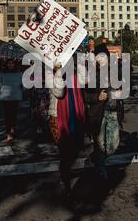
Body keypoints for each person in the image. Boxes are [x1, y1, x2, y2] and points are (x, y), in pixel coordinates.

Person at [83, 44, 123, 181]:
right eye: (99, 57)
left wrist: (119, 93)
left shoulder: (116, 72)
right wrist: (97, 97)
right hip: (98, 113)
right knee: (100, 145)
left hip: (113, 112)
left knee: (113, 145)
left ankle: (96, 159)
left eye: (104, 56)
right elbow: (84, 96)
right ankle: (101, 169)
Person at [48, 60, 86, 197]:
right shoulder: (52, 75)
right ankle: (65, 181)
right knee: (64, 151)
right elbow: (59, 92)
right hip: (58, 117)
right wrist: (58, 72)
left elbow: (86, 82)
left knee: (74, 150)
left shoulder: (75, 74)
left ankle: (65, 174)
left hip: (75, 116)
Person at [0, 59, 21, 142]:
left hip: (14, 96)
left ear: (14, 64)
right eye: (9, 63)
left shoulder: (17, 73)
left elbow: (21, 84)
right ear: (6, 64)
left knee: (14, 114)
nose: (10, 65)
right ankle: (8, 133)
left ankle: (12, 126)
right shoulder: (3, 73)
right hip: (6, 97)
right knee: (7, 115)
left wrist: (22, 87)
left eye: (12, 63)